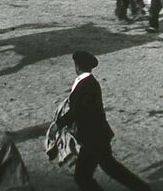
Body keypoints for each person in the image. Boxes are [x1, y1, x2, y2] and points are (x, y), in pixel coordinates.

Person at [55, 51, 150, 191]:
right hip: (98, 135)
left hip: (93, 137)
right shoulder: (87, 82)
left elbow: (80, 110)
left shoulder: (88, 84)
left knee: (82, 177)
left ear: (77, 66)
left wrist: (59, 123)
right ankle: (142, 188)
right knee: (110, 167)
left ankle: (142, 188)